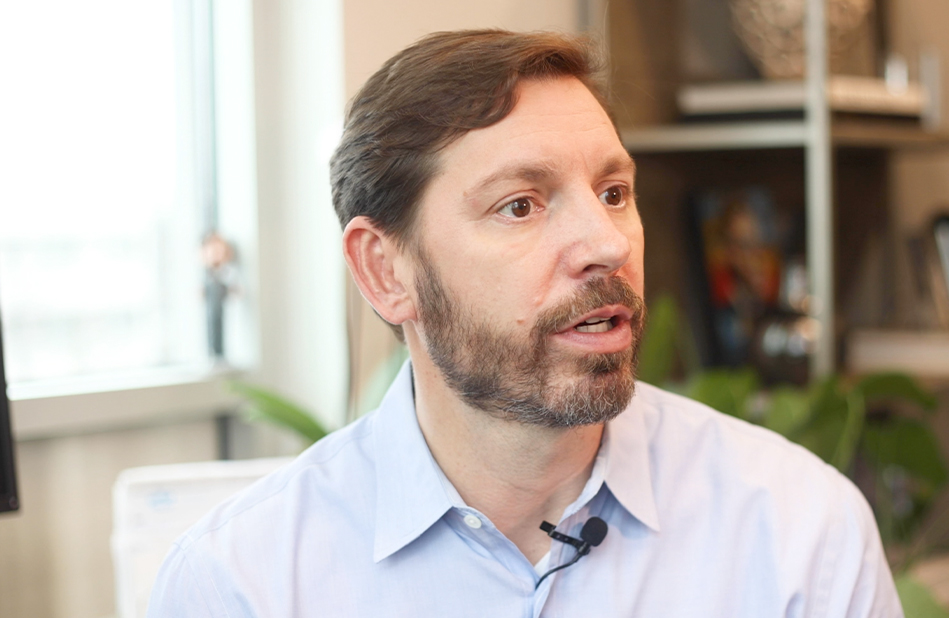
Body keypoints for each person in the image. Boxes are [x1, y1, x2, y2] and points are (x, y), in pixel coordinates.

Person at [147, 29, 901, 617]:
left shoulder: (801, 534)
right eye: (521, 205)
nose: (608, 245)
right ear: (385, 270)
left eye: (613, 192)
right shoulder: (240, 587)